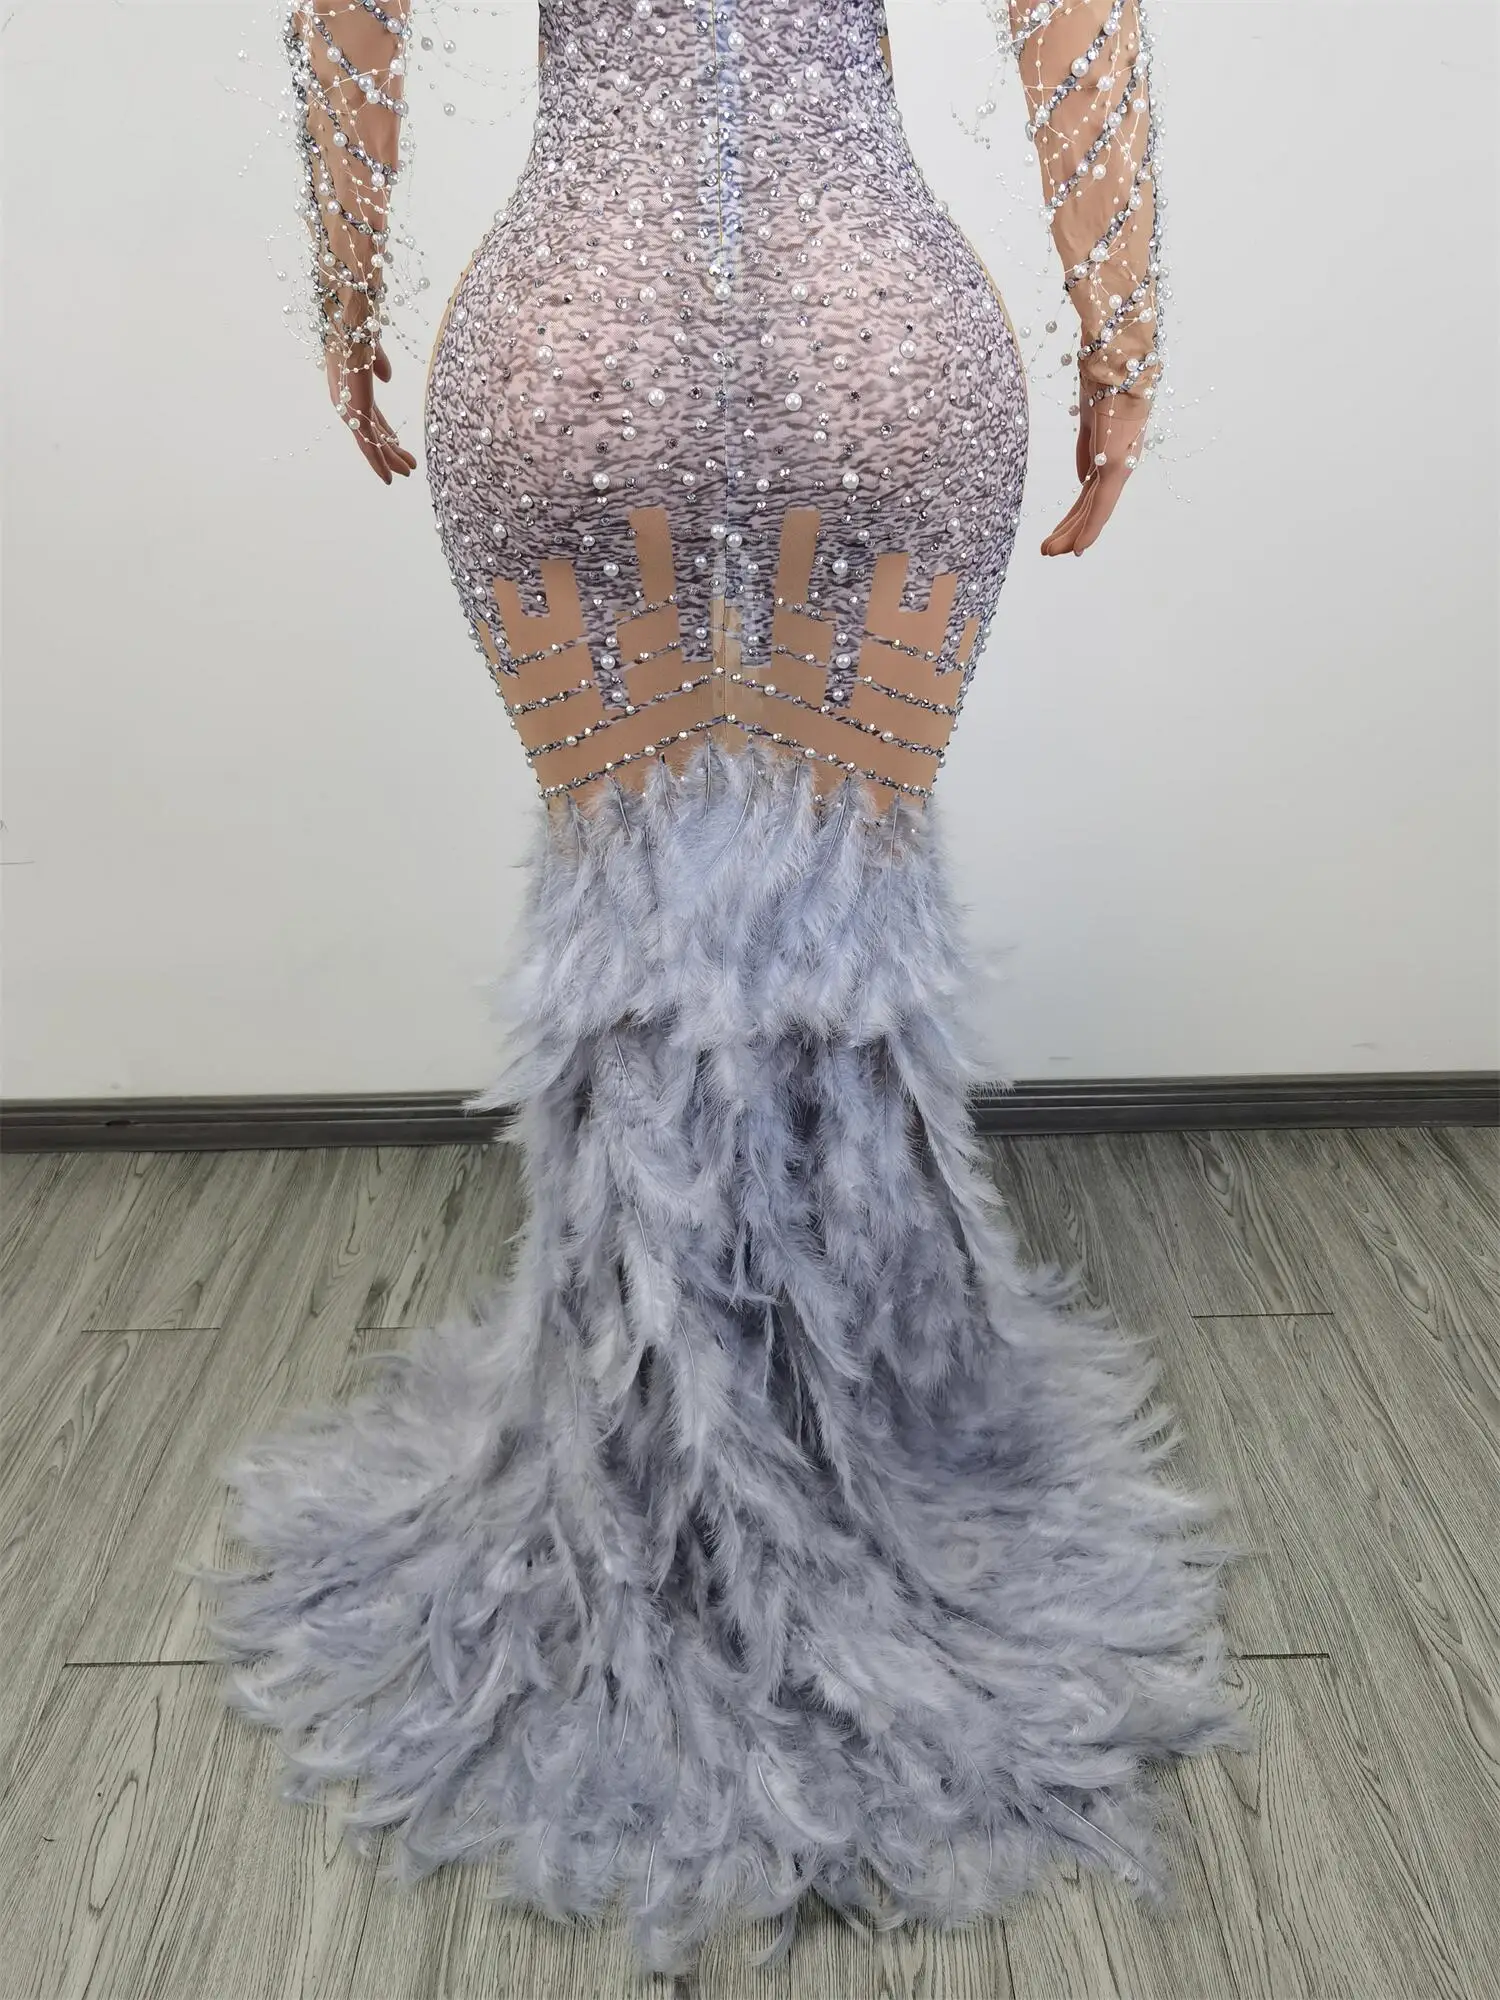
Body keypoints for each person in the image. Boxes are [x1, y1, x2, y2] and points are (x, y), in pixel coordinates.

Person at [207, 1, 1242, 1973]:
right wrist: (1122, 344)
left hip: (571, 342)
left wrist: (350, 283)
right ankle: (870, 1445)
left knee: (623, 941)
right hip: (880, 341)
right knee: (855, 928)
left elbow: (349, 17)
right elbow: (1077, 23)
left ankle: (644, 1488)